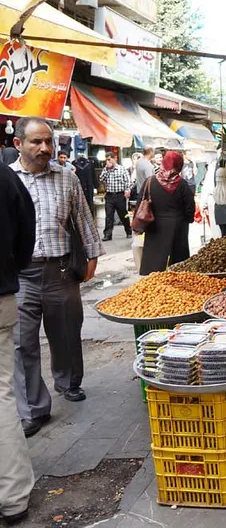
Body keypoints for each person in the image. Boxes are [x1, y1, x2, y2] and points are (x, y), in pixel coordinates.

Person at [9, 117, 103, 437]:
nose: (45, 148)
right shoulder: (7, 180)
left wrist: (92, 257)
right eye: (36, 142)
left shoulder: (67, 177)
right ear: (18, 144)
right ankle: (33, 408)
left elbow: (83, 219)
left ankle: (68, 382)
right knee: (22, 342)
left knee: (66, 331)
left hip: (61, 269)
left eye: (48, 141)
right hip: (21, 274)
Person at [0, 163, 36, 525]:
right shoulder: (6, 176)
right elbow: (27, 234)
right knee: (1, 395)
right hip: (1, 296)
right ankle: (12, 498)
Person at [139, 151, 195, 275]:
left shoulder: (150, 181)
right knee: (178, 268)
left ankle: (155, 283)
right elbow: (190, 208)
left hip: (154, 226)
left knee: (155, 265)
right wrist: (187, 220)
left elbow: (140, 203)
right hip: (177, 228)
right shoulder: (182, 184)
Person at [99, 153, 133, 241]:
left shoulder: (122, 169)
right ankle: (107, 235)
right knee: (109, 216)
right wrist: (106, 169)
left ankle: (128, 231)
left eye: (109, 159)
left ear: (115, 159)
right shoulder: (106, 169)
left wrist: (127, 190)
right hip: (109, 195)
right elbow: (101, 179)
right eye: (106, 160)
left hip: (119, 195)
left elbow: (128, 181)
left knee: (123, 215)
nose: (108, 161)